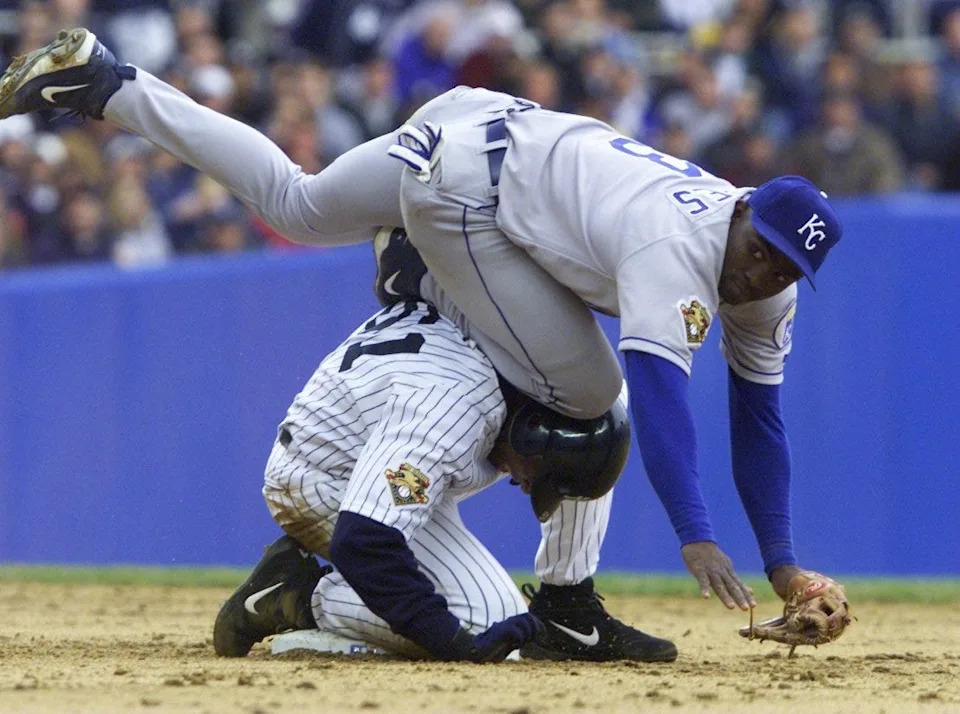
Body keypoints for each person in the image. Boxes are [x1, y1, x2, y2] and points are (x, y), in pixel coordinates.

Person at [0, 28, 844, 618]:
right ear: (740, 209)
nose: (764, 270)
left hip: (476, 123)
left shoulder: (765, 287)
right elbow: (663, 403)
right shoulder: (682, 245)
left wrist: (783, 564)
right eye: (762, 246)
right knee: (595, 393)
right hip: (469, 192)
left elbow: (759, 421)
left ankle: (108, 84)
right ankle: (566, 598)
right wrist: (695, 535)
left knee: (296, 204)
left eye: (785, 266)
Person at [211, 292, 676, 662]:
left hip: (392, 440)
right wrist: (451, 642)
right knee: (485, 620)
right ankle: (294, 593)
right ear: (531, 434)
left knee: (600, 407)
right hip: (325, 477)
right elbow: (365, 541)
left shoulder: (530, 369)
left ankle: (566, 606)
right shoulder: (450, 409)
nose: (530, 488)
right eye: (541, 474)